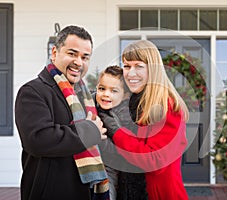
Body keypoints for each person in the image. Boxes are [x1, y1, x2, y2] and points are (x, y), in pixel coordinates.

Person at [15, 25, 109, 200]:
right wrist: (89, 131)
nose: (79, 62)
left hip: (87, 192)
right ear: (54, 53)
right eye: (72, 54)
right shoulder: (33, 91)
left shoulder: (85, 96)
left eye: (85, 57)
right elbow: (37, 140)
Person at [99, 40, 189, 200]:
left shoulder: (168, 107)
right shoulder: (132, 101)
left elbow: (153, 161)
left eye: (138, 66)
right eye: (126, 66)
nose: (131, 73)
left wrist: (116, 130)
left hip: (159, 194)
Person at [94, 65, 147, 200]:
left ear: (125, 96)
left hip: (114, 170)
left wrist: (98, 138)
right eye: (102, 88)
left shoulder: (126, 117)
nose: (106, 94)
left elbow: (119, 152)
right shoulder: (93, 107)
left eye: (113, 91)